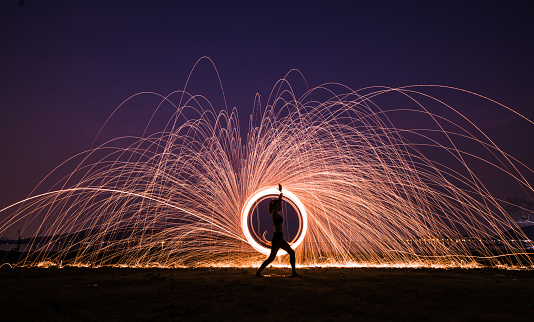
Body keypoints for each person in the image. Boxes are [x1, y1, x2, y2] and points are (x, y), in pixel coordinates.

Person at [256, 184, 301, 277]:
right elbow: (278, 203)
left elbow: (279, 204)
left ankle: (294, 273)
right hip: (277, 238)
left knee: (289, 253)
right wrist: (281, 193)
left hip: (279, 237)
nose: (280, 206)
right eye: (278, 205)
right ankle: (258, 273)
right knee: (272, 257)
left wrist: (280, 195)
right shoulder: (275, 214)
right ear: (276, 207)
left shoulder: (275, 214)